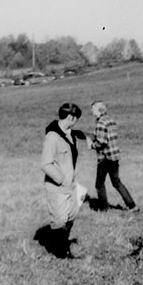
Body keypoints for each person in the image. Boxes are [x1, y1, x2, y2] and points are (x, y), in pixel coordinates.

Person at [40, 102, 89, 258]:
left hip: (72, 185)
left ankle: (63, 246)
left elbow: (77, 134)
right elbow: (46, 164)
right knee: (60, 220)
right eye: (76, 119)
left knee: (71, 216)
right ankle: (60, 253)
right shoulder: (52, 137)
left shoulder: (69, 133)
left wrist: (88, 137)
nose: (76, 122)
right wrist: (62, 180)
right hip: (58, 187)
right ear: (71, 117)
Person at [89, 101, 138, 212]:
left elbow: (101, 142)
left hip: (105, 158)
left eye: (93, 109)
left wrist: (92, 145)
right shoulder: (111, 121)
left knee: (99, 184)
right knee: (116, 182)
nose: (92, 112)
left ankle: (103, 208)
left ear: (99, 110)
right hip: (114, 156)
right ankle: (132, 206)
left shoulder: (101, 122)